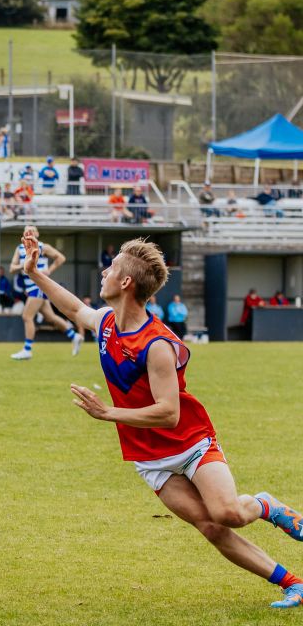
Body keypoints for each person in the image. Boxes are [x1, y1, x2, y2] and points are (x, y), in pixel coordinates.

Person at [22, 234, 303, 610]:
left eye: (113, 267)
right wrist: (35, 273)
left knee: (228, 513)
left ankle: (266, 505)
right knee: (211, 528)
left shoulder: (155, 345)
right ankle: (294, 583)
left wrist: (109, 413)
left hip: (191, 443)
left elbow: (168, 412)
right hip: (149, 458)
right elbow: (74, 309)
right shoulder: (106, 322)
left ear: (125, 283)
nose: (104, 272)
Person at [8, 225, 83, 360]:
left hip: (38, 286)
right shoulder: (19, 249)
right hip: (30, 288)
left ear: (37, 234)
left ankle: (27, 350)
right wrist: (24, 265)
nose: (29, 232)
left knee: (27, 316)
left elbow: (60, 257)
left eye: (32, 230)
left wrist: (50, 270)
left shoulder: (42, 246)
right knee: (50, 317)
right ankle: (74, 336)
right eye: (26, 230)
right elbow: (12, 268)